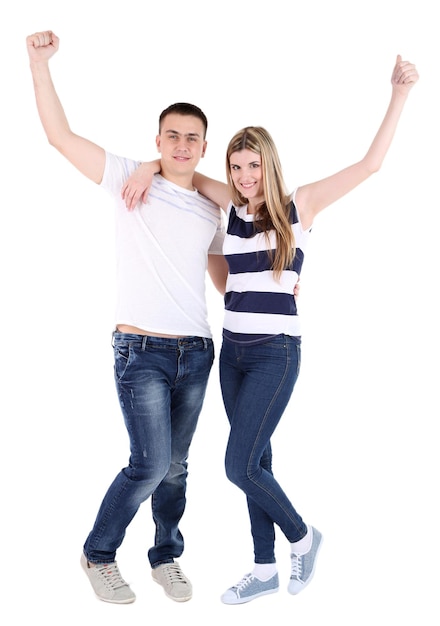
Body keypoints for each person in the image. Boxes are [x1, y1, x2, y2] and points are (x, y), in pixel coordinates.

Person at [121, 54, 419, 604]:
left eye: (252, 166)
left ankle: (303, 538)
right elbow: (177, 166)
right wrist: (145, 166)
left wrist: (398, 95)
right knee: (258, 462)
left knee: (238, 464)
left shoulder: (297, 205)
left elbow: (371, 165)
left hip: (275, 355)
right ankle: (263, 570)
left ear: (269, 165)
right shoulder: (229, 209)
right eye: (235, 167)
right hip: (231, 352)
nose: (243, 177)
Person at [25, 30, 231, 605]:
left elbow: (218, 279)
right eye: (172, 136)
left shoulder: (211, 206)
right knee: (149, 462)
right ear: (158, 139)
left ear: (204, 146)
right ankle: (98, 553)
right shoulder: (127, 180)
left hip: (196, 350)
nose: (182, 144)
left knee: (176, 467)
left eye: (193, 138)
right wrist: (39, 65)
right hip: (140, 351)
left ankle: (166, 556)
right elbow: (58, 136)